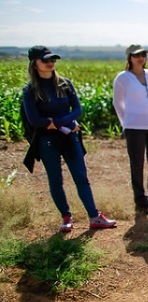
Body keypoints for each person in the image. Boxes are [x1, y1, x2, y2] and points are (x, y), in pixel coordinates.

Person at [21, 46, 116, 233]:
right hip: (47, 141)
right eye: (46, 60)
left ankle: (94, 216)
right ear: (35, 64)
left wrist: (56, 122)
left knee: (81, 177)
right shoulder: (30, 90)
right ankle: (66, 217)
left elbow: (78, 110)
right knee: (55, 180)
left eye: (53, 60)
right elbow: (34, 120)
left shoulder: (65, 84)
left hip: (69, 137)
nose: (51, 63)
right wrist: (64, 123)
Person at [113, 45, 148, 214]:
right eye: (136, 55)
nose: (140, 58)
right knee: (137, 165)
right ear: (129, 58)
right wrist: (126, 123)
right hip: (134, 127)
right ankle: (141, 202)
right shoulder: (123, 78)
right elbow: (118, 103)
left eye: (143, 55)